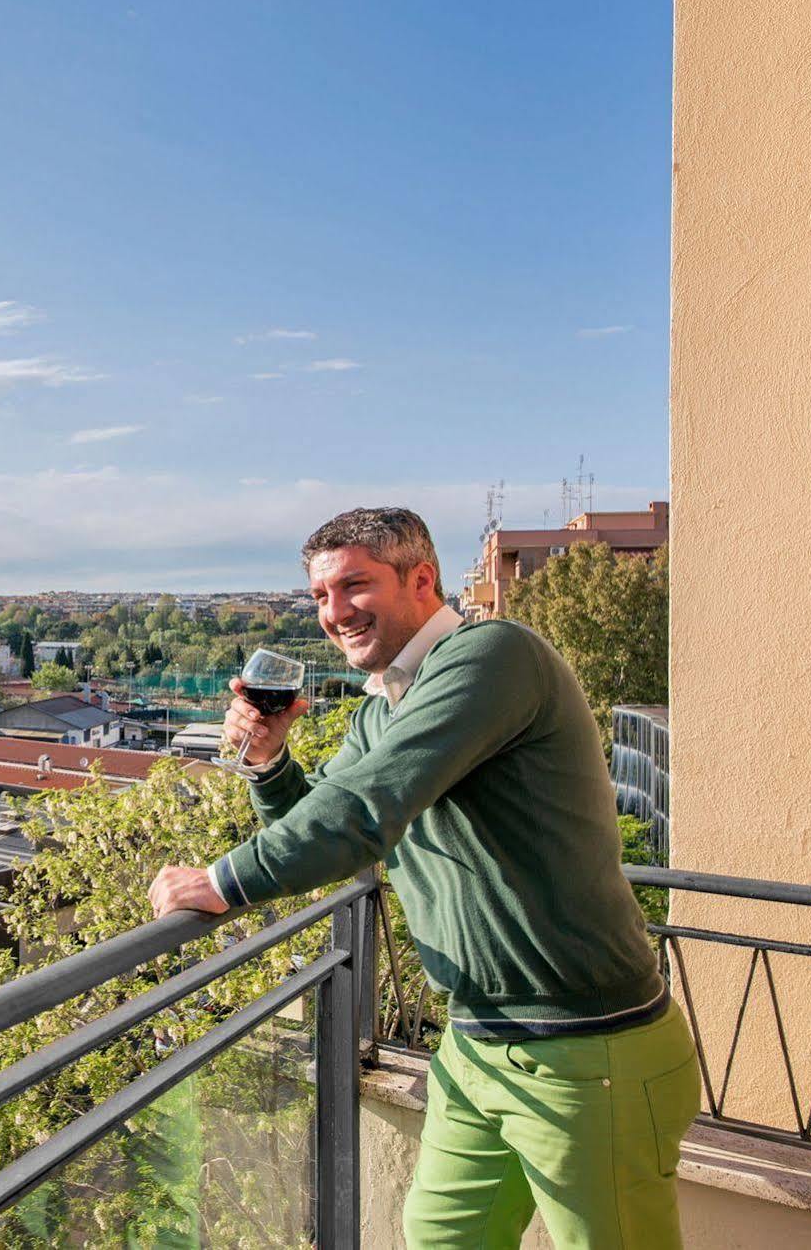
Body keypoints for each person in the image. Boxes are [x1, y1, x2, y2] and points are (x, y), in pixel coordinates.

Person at [147, 507, 700, 1250]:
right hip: (474, 1040)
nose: (334, 611)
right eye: (319, 595)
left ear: (422, 579)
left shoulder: (492, 656)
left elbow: (362, 813)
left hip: (582, 1045)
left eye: (354, 585)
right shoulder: (384, 712)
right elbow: (325, 816)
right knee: (440, 1238)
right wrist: (268, 763)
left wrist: (222, 879)